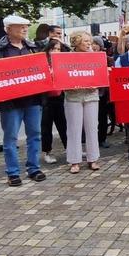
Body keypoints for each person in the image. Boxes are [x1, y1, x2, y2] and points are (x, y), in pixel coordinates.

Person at [0, 15, 47, 187]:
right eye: (20, 26)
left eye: (26, 26)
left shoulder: (33, 47)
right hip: (10, 102)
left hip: (33, 99)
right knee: (11, 137)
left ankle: (34, 168)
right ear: (8, 29)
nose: (24, 29)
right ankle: (13, 172)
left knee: (35, 135)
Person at [63, 32, 101, 174]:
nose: (88, 43)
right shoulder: (67, 58)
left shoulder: (95, 57)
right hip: (73, 96)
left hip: (91, 95)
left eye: (89, 41)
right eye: (85, 41)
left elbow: (100, 75)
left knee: (92, 127)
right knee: (74, 129)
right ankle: (74, 161)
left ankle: (93, 158)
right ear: (77, 42)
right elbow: (63, 77)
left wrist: (96, 83)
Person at [41, 39, 68, 164]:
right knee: (46, 127)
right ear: (48, 50)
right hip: (46, 99)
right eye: (53, 49)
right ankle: (47, 152)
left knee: (63, 125)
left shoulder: (62, 63)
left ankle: (69, 149)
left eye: (58, 49)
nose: (56, 51)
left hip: (59, 97)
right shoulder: (43, 63)